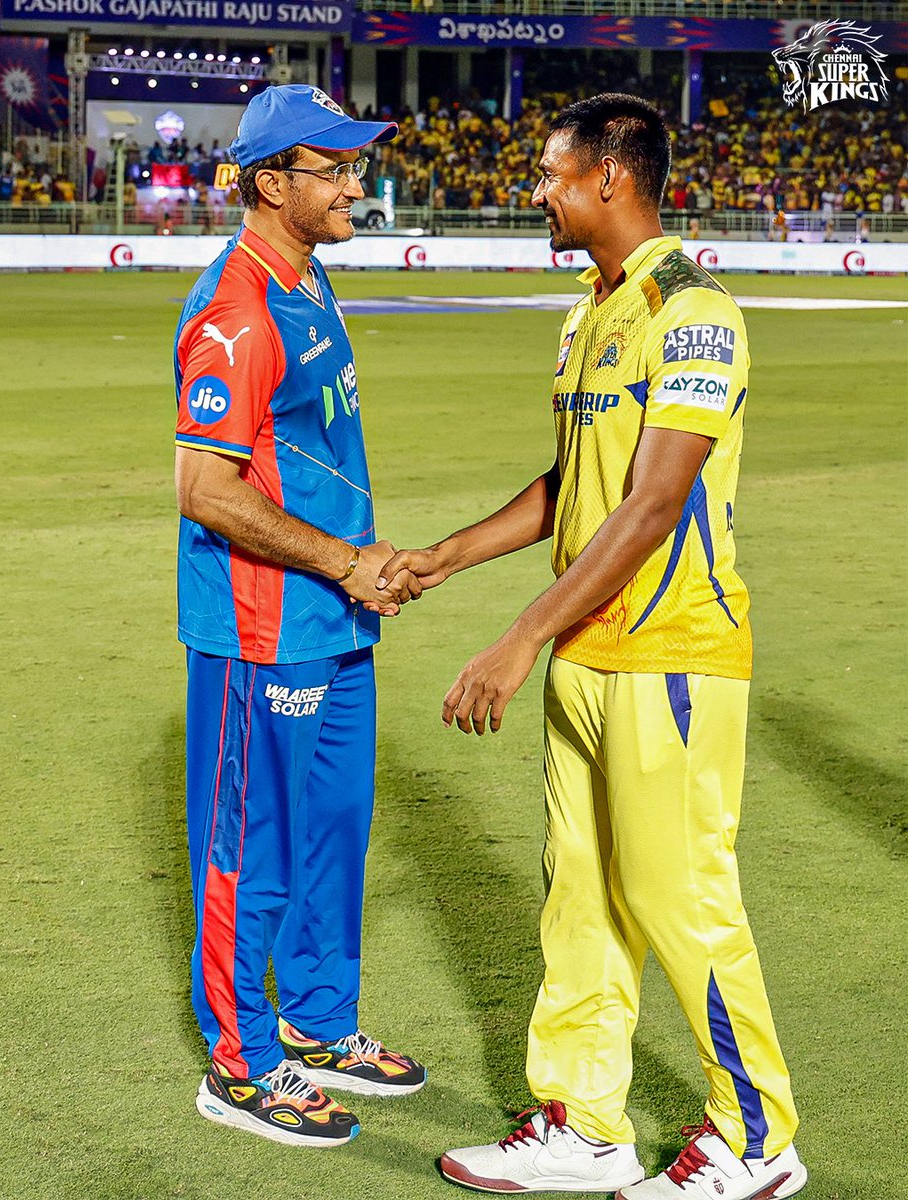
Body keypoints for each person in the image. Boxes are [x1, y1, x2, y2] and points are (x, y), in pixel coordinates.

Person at [380, 94, 807, 1198]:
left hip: (672, 653)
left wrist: (519, 637)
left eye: (552, 173)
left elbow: (653, 504)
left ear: (613, 178)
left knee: (678, 897)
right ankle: (585, 1124)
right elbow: (574, 485)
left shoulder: (695, 309)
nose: (538, 191)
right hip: (590, 653)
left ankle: (757, 1140)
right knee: (581, 897)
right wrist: (445, 556)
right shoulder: (589, 311)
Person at [173, 84, 426, 1150]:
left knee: (333, 833)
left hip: (336, 618)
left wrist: (352, 576)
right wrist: (342, 561)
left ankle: (320, 1022)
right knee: (254, 844)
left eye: (357, 166)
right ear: (273, 184)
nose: (356, 187)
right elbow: (206, 489)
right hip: (262, 626)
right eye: (336, 169)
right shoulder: (236, 309)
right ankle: (239, 1064)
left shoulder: (308, 276)